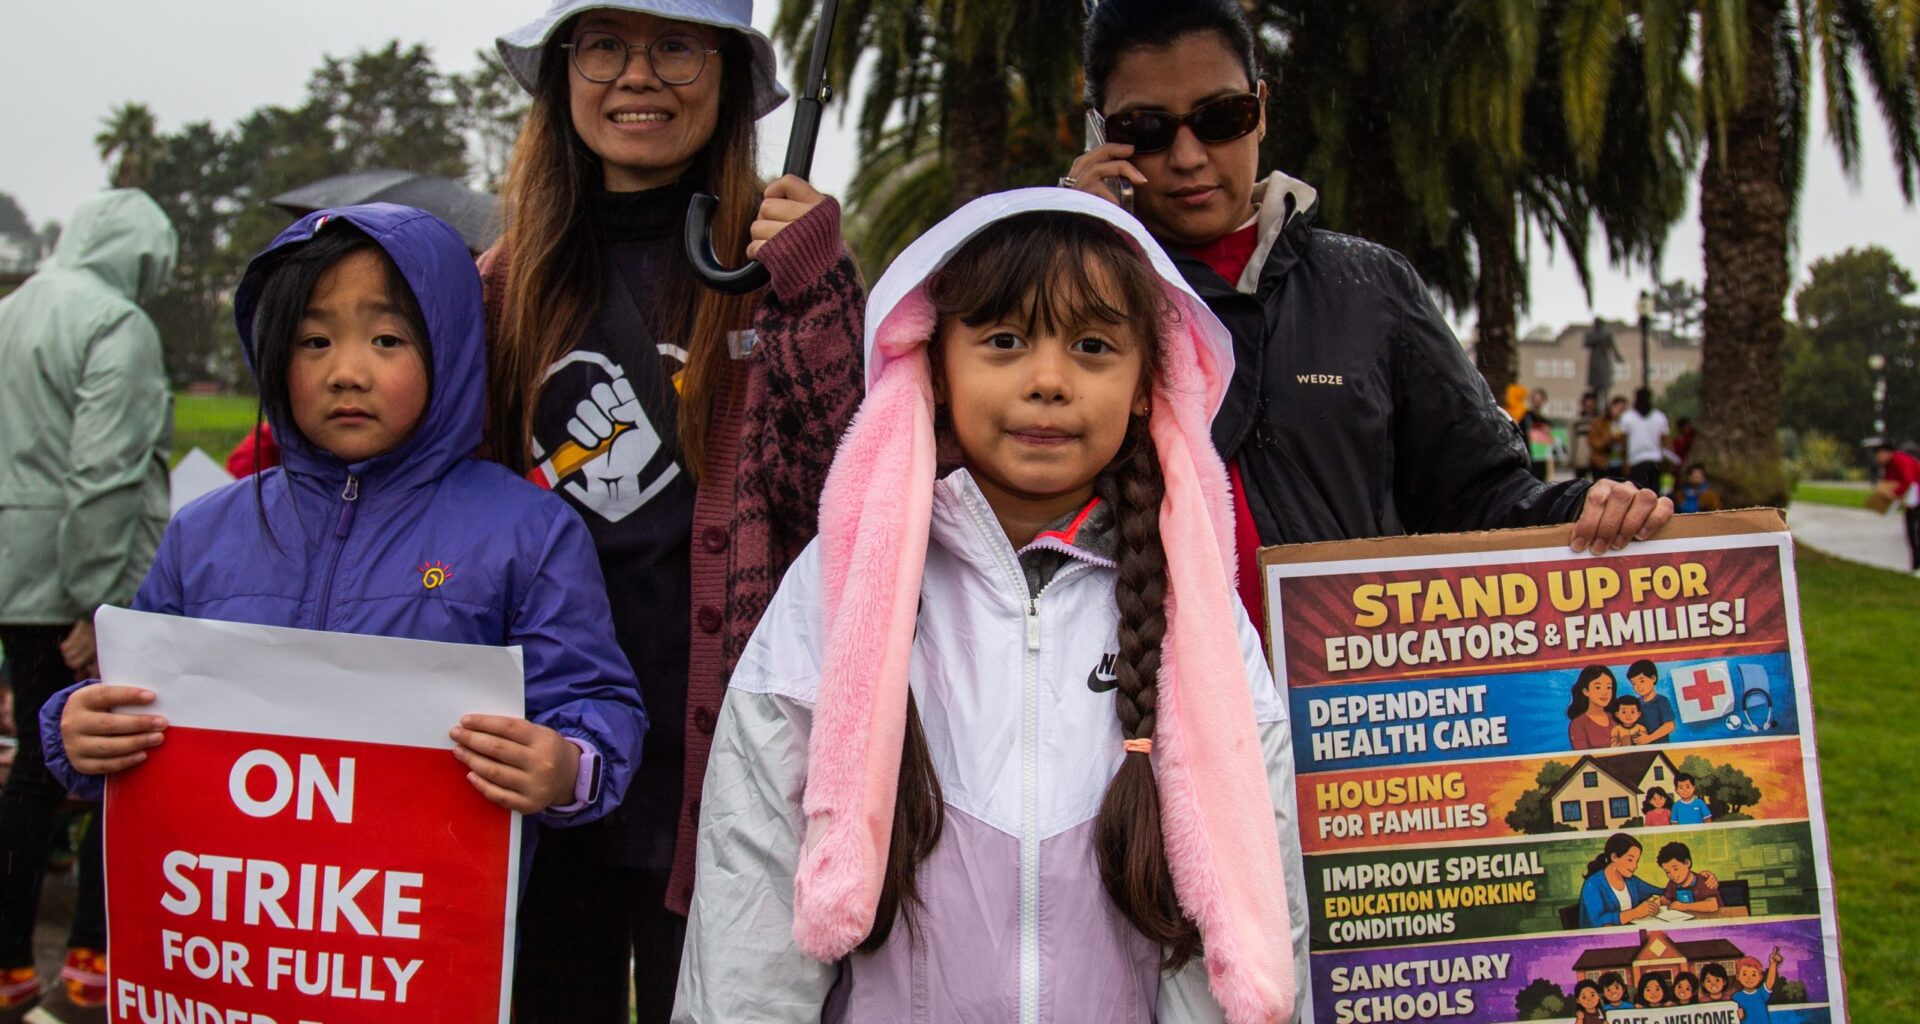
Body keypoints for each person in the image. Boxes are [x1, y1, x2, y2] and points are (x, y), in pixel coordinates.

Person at [674, 193, 1308, 1022]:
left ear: (1147, 384)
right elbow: (752, 883)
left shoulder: (1194, 612)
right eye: (1004, 341)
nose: (1047, 382)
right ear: (935, 368)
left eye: (1092, 346)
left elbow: (1245, 893)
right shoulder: (842, 585)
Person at [40, 206, 649, 987]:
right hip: (234, 961)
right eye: (313, 341)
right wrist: (75, 730)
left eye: (387, 340)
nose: (346, 372)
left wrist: (565, 768)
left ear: (450, 348)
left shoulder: (526, 532)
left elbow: (597, 702)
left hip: (417, 960)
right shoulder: (204, 533)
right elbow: (129, 701)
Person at [483, 2, 865, 1018]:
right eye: (604, 45)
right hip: (536, 761)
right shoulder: (501, 290)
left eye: (676, 47)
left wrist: (815, 293)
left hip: (722, 771)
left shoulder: (784, 267)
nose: (637, 75)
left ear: (729, 77)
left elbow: (844, 493)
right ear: (564, 73)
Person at [1063, 0, 1673, 623]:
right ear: (1101, 136)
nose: (1189, 156)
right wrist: (1070, 250)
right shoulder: (1073, 293)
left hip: (1347, 672)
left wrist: (1584, 508)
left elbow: (1476, 493)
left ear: (1261, 110)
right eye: (1147, 128)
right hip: (1131, 676)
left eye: (1221, 117)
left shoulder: (1370, 287)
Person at [0, 188, 176, 1020]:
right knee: (111, 759)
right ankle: (92, 962)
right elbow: (103, 471)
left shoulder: (14, 308)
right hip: (79, 579)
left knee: (32, 773)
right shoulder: (117, 324)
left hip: (13, 571)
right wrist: (98, 601)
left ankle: (10, 963)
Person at [1578, 833, 1664, 928]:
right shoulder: (1592, 884)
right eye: (1630, 860)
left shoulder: (1632, 881)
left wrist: (1661, 899)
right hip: (1601, 936)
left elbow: (1659, 891)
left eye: (1636, 861)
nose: (1635, 866)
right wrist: (1635, 913)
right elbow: (1598, 921)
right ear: (1614, 857)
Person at [1872, 441, 1920, 573]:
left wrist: (1894, 493)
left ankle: (1917, 566)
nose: (1878, 459)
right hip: (1911, 501)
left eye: (1879, 456)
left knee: (1915, 532)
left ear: (1887, 453)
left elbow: (1908, 481)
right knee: (1912, 533)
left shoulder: (1900, 461)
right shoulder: (1890, 465)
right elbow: (1890, 481)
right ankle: (1916, 566)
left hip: (1916, 500)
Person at [1618, 387, 1670, 492]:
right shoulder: (1660, 417)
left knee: (1638, 494)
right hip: (1654, 461)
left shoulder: (1627, 417)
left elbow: (1623, 443)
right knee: (1654, 494)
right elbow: (1664, 442)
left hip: (1636, 462)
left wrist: (1625, 462)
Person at [1656, 842, 1722, 913]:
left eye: (1675, 869)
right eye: (1667, 872)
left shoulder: (1703, 881)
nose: (1672, 875)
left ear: (1687, 863)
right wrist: (1658, 901)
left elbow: (1713, 905)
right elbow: (1667, 900)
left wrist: (1684, 906)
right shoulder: (1672, 884)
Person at [1566, 664, 1618, 750]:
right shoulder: (1579, 724)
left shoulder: (1616, 717)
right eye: (1598, 687)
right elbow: (1582, 755)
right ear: (1586, 691)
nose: (1605, 692)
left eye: (1609, 687)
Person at [1625, 659, 1676, 743]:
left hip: (1660, 745)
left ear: (1653, 678)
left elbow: (1670, 726)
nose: (1638, 686)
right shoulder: (1635, 703)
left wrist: (1649, 738)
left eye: (1642, 681)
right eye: (1634, 683)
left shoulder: (1662, 701)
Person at [1731, 949, 1783, 1024]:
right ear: (1738, 977)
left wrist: (1773, 965)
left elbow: (1769, 983)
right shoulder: (1736, 997)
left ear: (1760, 977)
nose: (1749, 978)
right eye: (1744, 974)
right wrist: (1737, 1014)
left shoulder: (1761, 993)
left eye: (1753, 974)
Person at [1570, 392, 1599, 481]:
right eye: (1587, 402)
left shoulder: (1599, 420)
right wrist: (1572, 457)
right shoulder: (1577, 420)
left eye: (1592, 402)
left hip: (1596, 457)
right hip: (1580, 456)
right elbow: (1572, 440)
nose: (1589, 405)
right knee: (1580, 483)